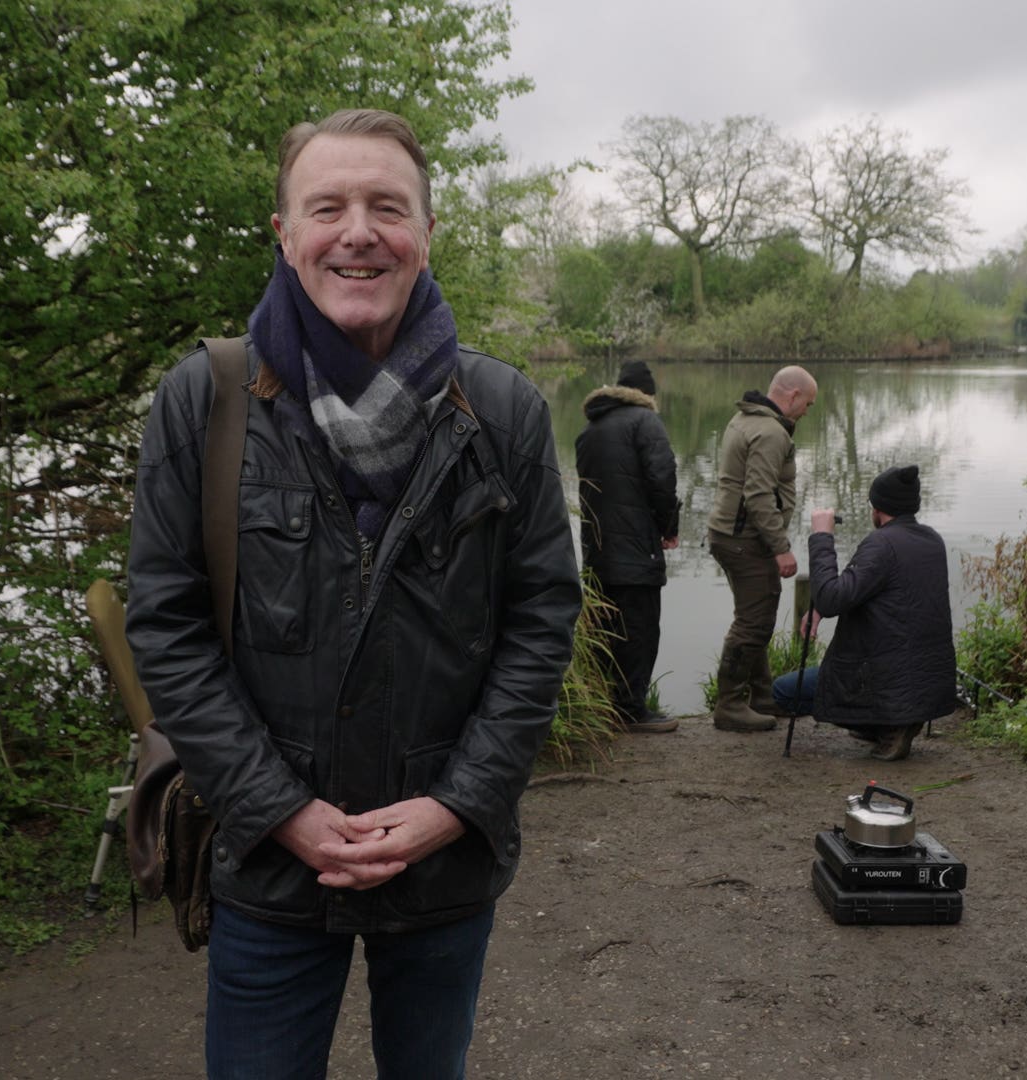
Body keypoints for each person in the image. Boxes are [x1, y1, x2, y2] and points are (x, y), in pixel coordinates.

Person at [124, 108, 581, 1080]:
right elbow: (164, 626)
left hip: (446, 866)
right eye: (326, 206)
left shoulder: (502, 412)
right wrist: (279, 808)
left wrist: (456, 805)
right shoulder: (203, 404)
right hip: (270, 864)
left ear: (426, 233)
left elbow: (541, 619)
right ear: (286, 235)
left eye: (387, 205)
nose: (358, 230)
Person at [773, 464, 957, 762]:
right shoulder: (931, 541)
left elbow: (832, 599)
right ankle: (893, 720)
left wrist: (822, 537)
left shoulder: (881, 543)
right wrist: (819, 605)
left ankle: (887, 727)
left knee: (783, 691)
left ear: (878, 508)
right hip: (927, 683)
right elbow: (876, 590)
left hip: (884, 678)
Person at [705, 366, 817, 733]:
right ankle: (730, 705)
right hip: (745, 540)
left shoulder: (745, 418)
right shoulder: (770, 432)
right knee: (754, 621)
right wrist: (781, 548)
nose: (806, 412)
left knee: (756, 614)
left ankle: (764, 697)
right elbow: (757, 496)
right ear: (793, 396)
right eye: (808, 404)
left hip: (730, 535)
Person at [575, 360, 681, 732]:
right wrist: (668, 527)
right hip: (636, 552)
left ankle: (605, 707)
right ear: (647, 394)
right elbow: (663, 478)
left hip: (598, 553)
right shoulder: (645, 421)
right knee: (640, 631)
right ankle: (632, 710)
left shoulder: (589, 430)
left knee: (607, 630)